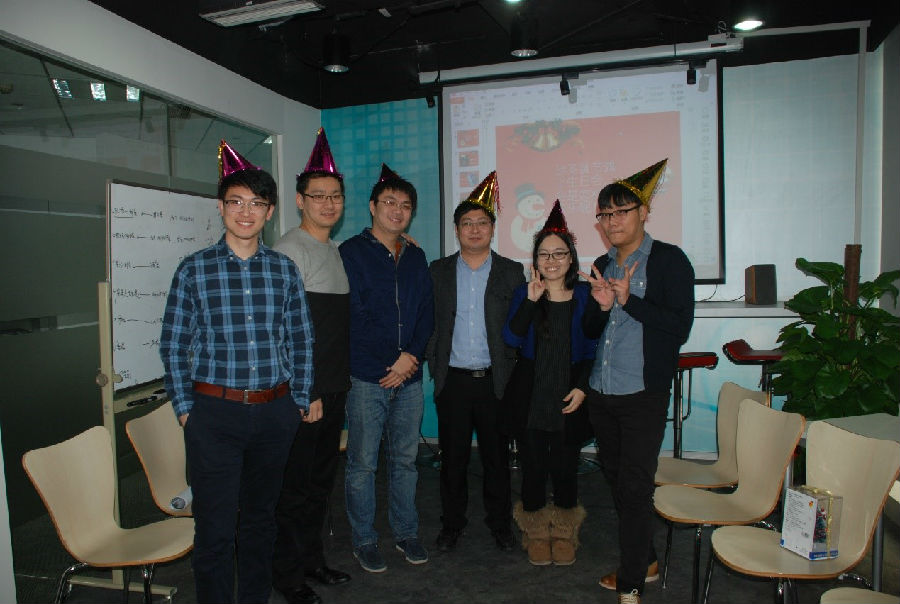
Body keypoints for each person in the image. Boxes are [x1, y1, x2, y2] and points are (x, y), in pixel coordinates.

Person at [160, 140, 314, 604]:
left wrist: (298, 400)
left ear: (270, 212)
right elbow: (173, 344)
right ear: (221, 207)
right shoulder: (193, 270)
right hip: (213, 415)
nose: (246, 212)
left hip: (274, 413)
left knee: (261, 522)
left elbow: (301, 339)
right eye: (236, 202)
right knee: (214, 527)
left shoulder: (284, 271)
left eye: (256, 203)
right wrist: (186, 409)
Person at [579, 159, 695, 604]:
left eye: (621, 211)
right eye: (605, 214)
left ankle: (631, 582)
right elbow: (590, 331)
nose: (612, 222)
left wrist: (630, 301)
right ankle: (645, 559)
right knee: (615, 478)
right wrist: (601, 306)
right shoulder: (602, 263)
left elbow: (678, 327)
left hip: (642, 393)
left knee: (635, 485)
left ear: (644, 212)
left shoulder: (669, 260)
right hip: (603, 391)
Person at [339, 166, 435, 574]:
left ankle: (406, 532)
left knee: (406, 461)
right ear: (372, 207)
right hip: (368, 377)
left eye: (406, 205)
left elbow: (426, 311)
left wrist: (410, 356)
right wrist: (391, 361)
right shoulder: (351, 253)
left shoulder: (416, 255)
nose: (398, 211)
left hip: (409, 377)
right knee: (363, 464)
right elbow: (353, 315)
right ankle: (364, 539)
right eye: (390, 202)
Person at [272, 129, 351, 604]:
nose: (328, 203)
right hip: (306, 393)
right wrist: (308, 392)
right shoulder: (290, 251)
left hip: (333, 387)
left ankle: (311, 560)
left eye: (335, 196)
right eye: (318, 196)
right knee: (295, 488)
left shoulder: (332, 250)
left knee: (320, 485)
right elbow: (283, 333)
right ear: (300, 201)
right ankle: (287, 577)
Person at [426, 172, 524, 553]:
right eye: (467, 223)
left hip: (495, 382)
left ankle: (500, 524)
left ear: (493, 229)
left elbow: (519, 325)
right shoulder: (438, 271)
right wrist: (435, 364)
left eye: (482, 223)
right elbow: (430, 322)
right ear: (456, 230)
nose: (474, 229)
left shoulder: (511, 272)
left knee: (497, 460)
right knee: (452, 461)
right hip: (453, 381)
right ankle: (452, 524)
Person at [502, 200, 597, 566]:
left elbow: (593, 348)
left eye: (559, 253)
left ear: (571, 259)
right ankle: (536, 530)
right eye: (544, 254)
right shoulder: (524, 293)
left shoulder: (585, 296)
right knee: (533, 468)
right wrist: (530, 302)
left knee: (565, 467)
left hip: (569, 393)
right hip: (531, 394)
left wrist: (583, 387)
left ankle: (565, 530)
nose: (552, 260)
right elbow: (511, 339)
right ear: (535, 261)